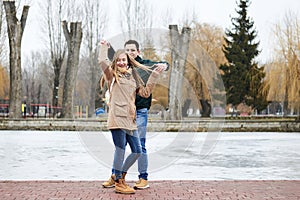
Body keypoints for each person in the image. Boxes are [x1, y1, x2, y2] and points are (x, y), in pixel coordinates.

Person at [98, 40, 165, 194]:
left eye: (124, 60)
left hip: (130, 120)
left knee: (137, 151)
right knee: (120, 149)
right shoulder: (112, 76)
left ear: (128, 62)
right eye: (119, 60)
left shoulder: (133, 76)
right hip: (117, 119)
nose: (121, 62)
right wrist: (103, 47)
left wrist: (154, 75)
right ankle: (119, 183)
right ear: (116, 62)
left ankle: (119, 176)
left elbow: (145, 93)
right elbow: (102, 61)